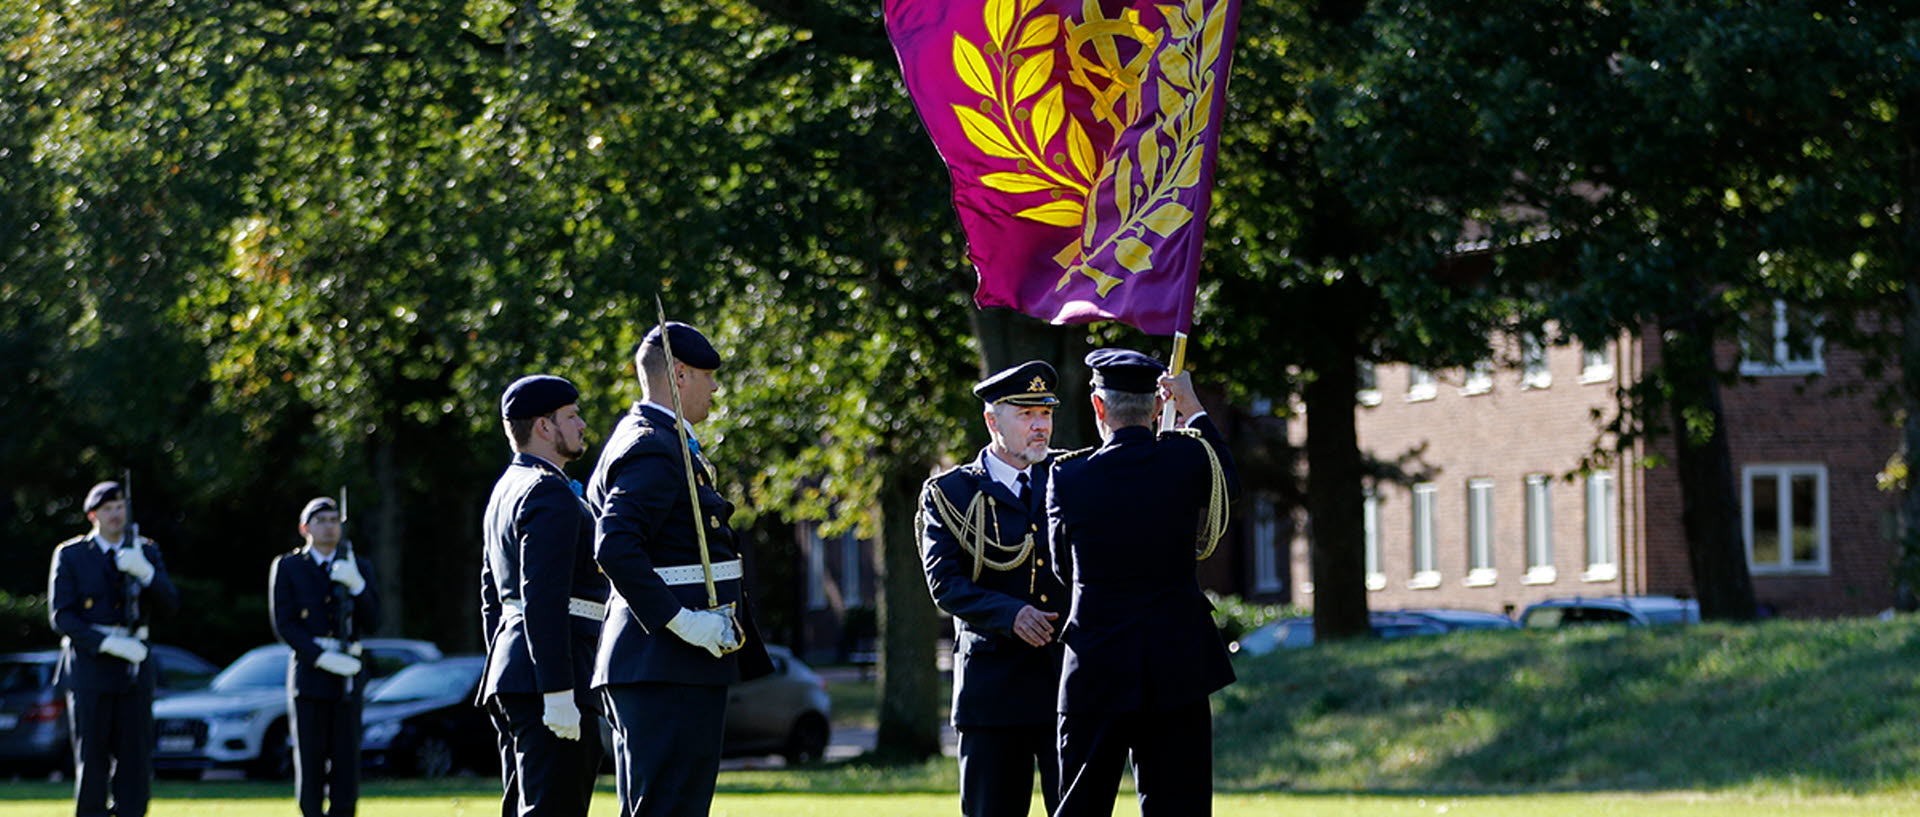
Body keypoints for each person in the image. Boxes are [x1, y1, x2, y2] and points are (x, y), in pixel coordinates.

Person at [588, 321, 772, 817]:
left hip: (667, 663)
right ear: (680, 373)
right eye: (708, 375)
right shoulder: (653, 445)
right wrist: (684, 622)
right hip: (665, 659)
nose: (715, 387)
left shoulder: (662, 441)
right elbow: (615, 547)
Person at [1046, 349, 1240, 817]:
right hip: (1176, 662)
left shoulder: (1068, 475)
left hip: (1097, 661)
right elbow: (1227, 483)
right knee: (1180, 807)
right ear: (1157, 407)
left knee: (1081, 806)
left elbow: (1061, 568)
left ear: (1098, 407)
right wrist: (1192, 408)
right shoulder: (1188, 458)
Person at [918, 360, 1069, 817]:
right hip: (993, 691)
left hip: (1067, 683)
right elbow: (946, 584)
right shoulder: (951, 493)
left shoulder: (1072, 477)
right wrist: (1011, 614)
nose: (1040, 426)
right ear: (992, 420)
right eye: (1026, 415)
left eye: (1045, 414)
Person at [479, 374, 609, 817]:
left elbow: (491, 597)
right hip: (553, 674)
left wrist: (504, 661)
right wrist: (558, 690)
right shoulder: (547, 490)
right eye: (571, 416)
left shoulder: (506, 488)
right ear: (544, 427)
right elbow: (543, 596)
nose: (583, 424)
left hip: (515, 671)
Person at [48, 480, 179, 817]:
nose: (116, 514)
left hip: (135, 667)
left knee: (135, 756)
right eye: (108, 509)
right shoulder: (73, 554)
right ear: (93, 515)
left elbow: (171, 606)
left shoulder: (146, 550)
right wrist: (107, 643)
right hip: (90, 667)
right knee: (92, 757)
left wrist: (145, 572)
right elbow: (62, 616)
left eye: (120, 506)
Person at [269, 496, 381, 817]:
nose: (329, 526)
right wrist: (319, 656)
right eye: (321, 520)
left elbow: (374, 621)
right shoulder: (289, 566)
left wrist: (358, 586)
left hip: (348, 670)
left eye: (334, 520)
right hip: (311, 673)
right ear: (305, 528)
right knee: (311, 757)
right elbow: (285, 623)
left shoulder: (359, 566)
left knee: (346, 759)